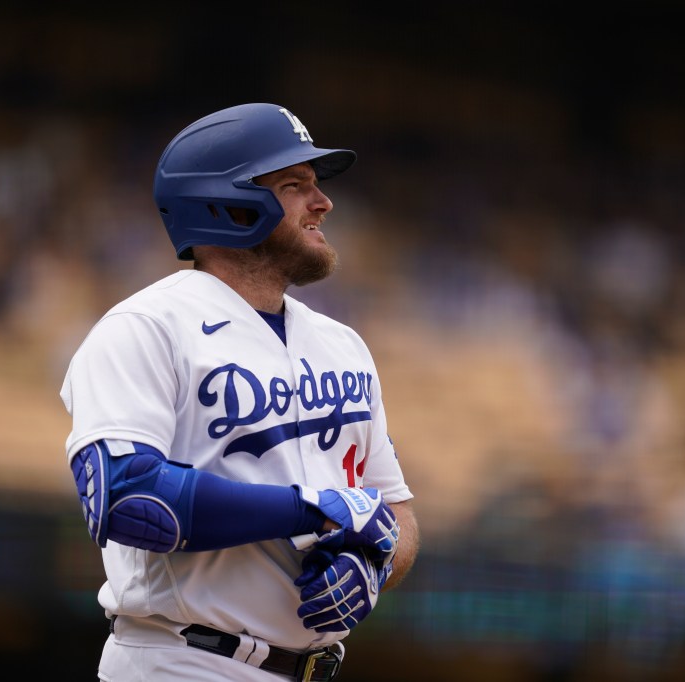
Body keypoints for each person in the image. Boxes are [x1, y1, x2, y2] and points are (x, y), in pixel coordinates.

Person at [60, 103, 419, 682]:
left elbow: (395, 512)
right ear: (227, 203)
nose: (322, 202)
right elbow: (127, 499)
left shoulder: (343, 344)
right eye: (294, 185)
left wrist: (371, 565)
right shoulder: (147, 327)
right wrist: (311, 508)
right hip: (182, 661)